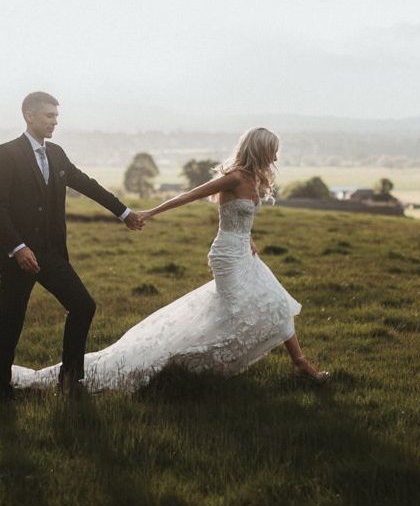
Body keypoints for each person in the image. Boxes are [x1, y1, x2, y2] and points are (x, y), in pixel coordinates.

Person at [11, 127, 329, 393]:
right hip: (226, 257)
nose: (276, 156)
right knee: (235, 313)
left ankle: (299, 363)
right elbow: (188, 195)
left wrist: (248, 237)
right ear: (259, 150)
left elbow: (238, 217)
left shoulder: (254, 178)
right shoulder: (234, 178)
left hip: (244, 252)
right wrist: (148, 212)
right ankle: (182, 362)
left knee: (274, 301)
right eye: (272, 150)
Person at [0, 92, 144, 401]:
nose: (55, 122)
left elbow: (86, 184)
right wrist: (17, 247)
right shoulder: (6, 154)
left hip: (51, 254)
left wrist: (124, 213)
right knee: (10, 322)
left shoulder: (58, 154)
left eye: (56, 116)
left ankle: (70, 380)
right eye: (49, 116)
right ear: (29, 115)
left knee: (83, 305)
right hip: (16, 257)